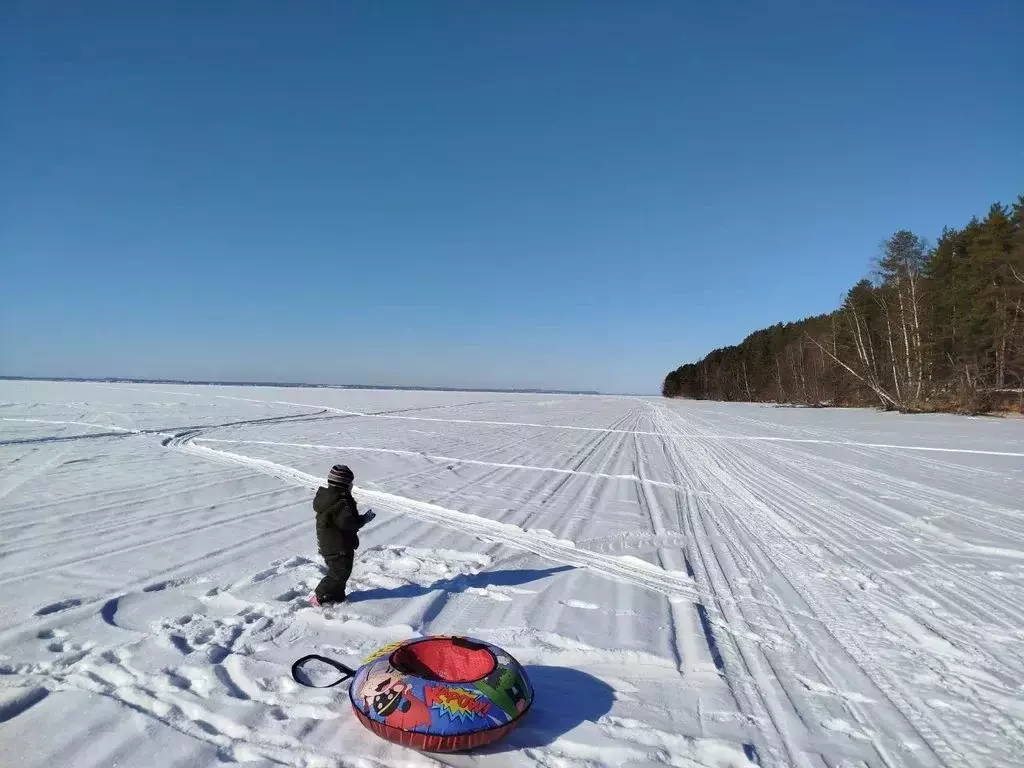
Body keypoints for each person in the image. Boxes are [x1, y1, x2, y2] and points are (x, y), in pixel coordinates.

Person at [310, 464, 374, 606]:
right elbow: (347, 523)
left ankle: (337, 595)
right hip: (338, 545)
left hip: (332, 543)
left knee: (342, 571)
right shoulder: (342, 502)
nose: (352, 486)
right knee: (339, 573)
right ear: (344, 484)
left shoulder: (329, 498)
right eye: (350, 483)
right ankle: (319, 594)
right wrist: (363, 519)